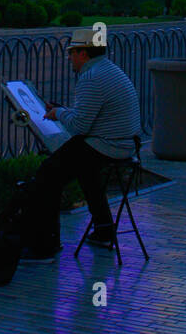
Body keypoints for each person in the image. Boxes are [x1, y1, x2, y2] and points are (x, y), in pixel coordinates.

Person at [18, 33, 142, 262]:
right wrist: (63, 110)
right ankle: (104, 229)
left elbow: (79, 126)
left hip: (108, 144)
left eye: (72, 54)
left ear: (83, 53)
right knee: (85, 170)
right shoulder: (108, 70)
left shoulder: (91, 77)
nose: (70, 59)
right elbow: (89, 118)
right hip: (123, 142)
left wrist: (58, 113)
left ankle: (45, 246)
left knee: (48, 175)